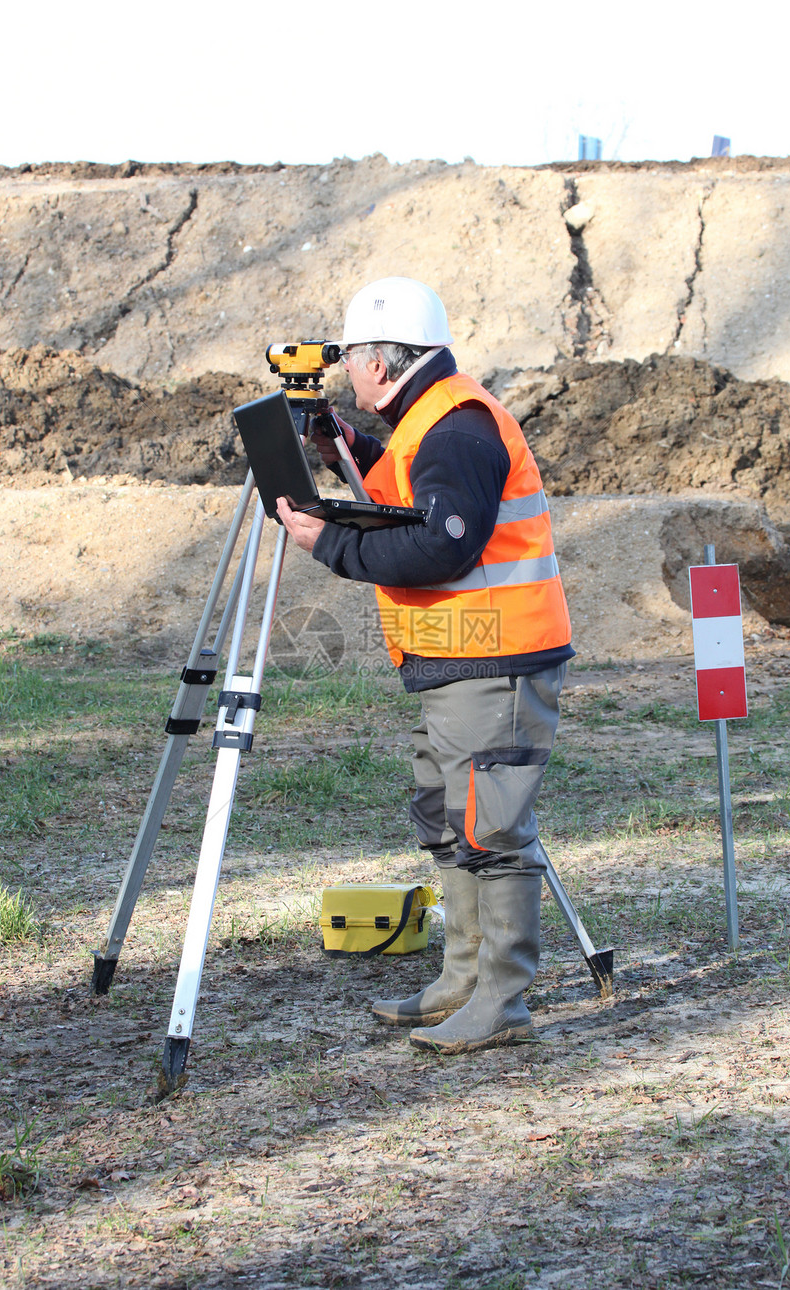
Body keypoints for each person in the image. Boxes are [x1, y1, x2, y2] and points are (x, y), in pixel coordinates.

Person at [276, 276, 574, 1055]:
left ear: (379, 362)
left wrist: (327, 544)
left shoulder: (457, 428)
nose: (345, 374)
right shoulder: (428, 423)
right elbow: (413, 496)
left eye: (349, 360)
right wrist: (347, 451)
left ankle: (502, 1000)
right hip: (459, 659)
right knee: (449, 817)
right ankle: (462, 979)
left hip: (494, 658)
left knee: (492, 828)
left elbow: (444, 542)